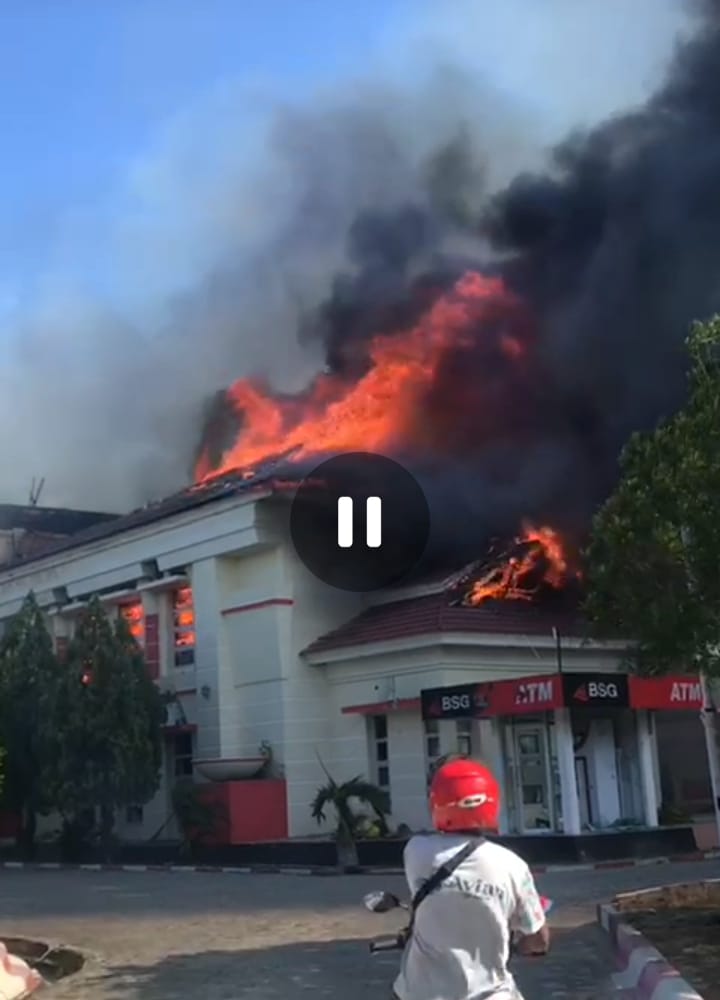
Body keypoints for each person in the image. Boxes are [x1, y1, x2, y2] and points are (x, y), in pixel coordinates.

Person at [392, 757, 550, 1000]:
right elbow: (539, 940)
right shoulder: (513, 866)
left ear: (436, 803)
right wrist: (518, 947)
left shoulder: (416, 852)